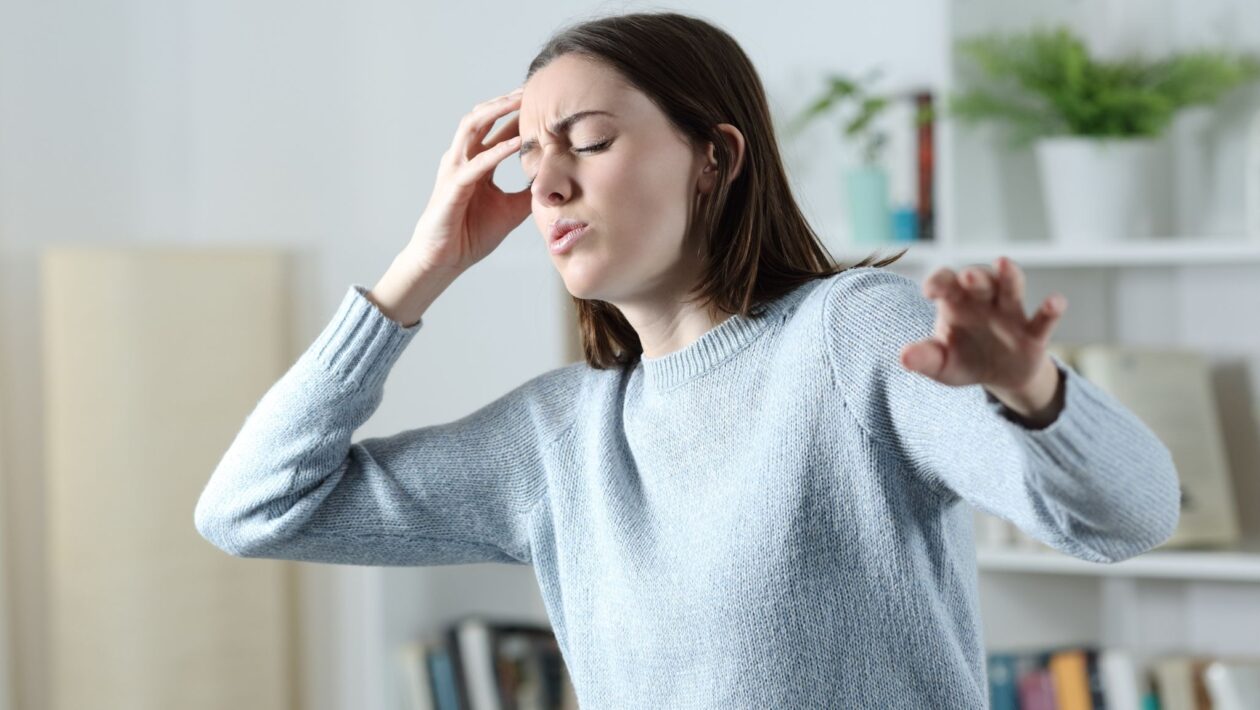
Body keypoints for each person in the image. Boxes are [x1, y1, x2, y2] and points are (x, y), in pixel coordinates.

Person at [195, 11, 1180, 708]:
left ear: (714, 156)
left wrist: (1030, 390)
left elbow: (1129, 518)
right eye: (530, 158)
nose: (549, 181)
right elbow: (250, 508)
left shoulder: (847, 336)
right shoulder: (555, 438)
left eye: (586, 140)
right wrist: (422, 265)